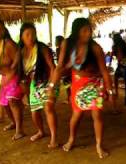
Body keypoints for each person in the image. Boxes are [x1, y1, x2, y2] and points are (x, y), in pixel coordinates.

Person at [48, 18, 113, 158]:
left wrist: (110, 90)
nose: (88, 33)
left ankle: (99, 145)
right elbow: (59, 67)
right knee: (77, 114)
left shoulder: (95, 47)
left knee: (97, 114)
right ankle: (71, 139)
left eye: (89, 30)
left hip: (95, 83)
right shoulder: (67, 43)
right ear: (77, 31)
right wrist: (52, 86)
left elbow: (104, 71)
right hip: (77, 83)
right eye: (85, 30)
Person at [19, 23, 58, 148]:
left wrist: (51, 87)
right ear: (21, 37)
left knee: (48, 108)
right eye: (27, 34)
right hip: (35, 84)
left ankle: (54, 138)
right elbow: (24, 77)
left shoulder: (42, 48)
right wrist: (25, 94)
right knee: (34, 112)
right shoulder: (20, 53)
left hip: (49, 81)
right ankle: (41, 131)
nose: (31, 37)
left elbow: (53, 68)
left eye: (33, 34)